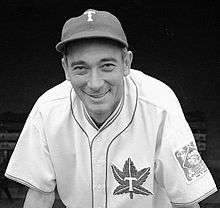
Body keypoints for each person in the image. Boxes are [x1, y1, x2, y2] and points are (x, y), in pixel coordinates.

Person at [5, 9, 217, 208]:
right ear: (65, 69)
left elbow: (185, 201)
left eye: (107, 66)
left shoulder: (158, 105)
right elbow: (40, 195)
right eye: (81, 68)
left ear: (126, 63)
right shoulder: (48, 109)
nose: (95, 83)